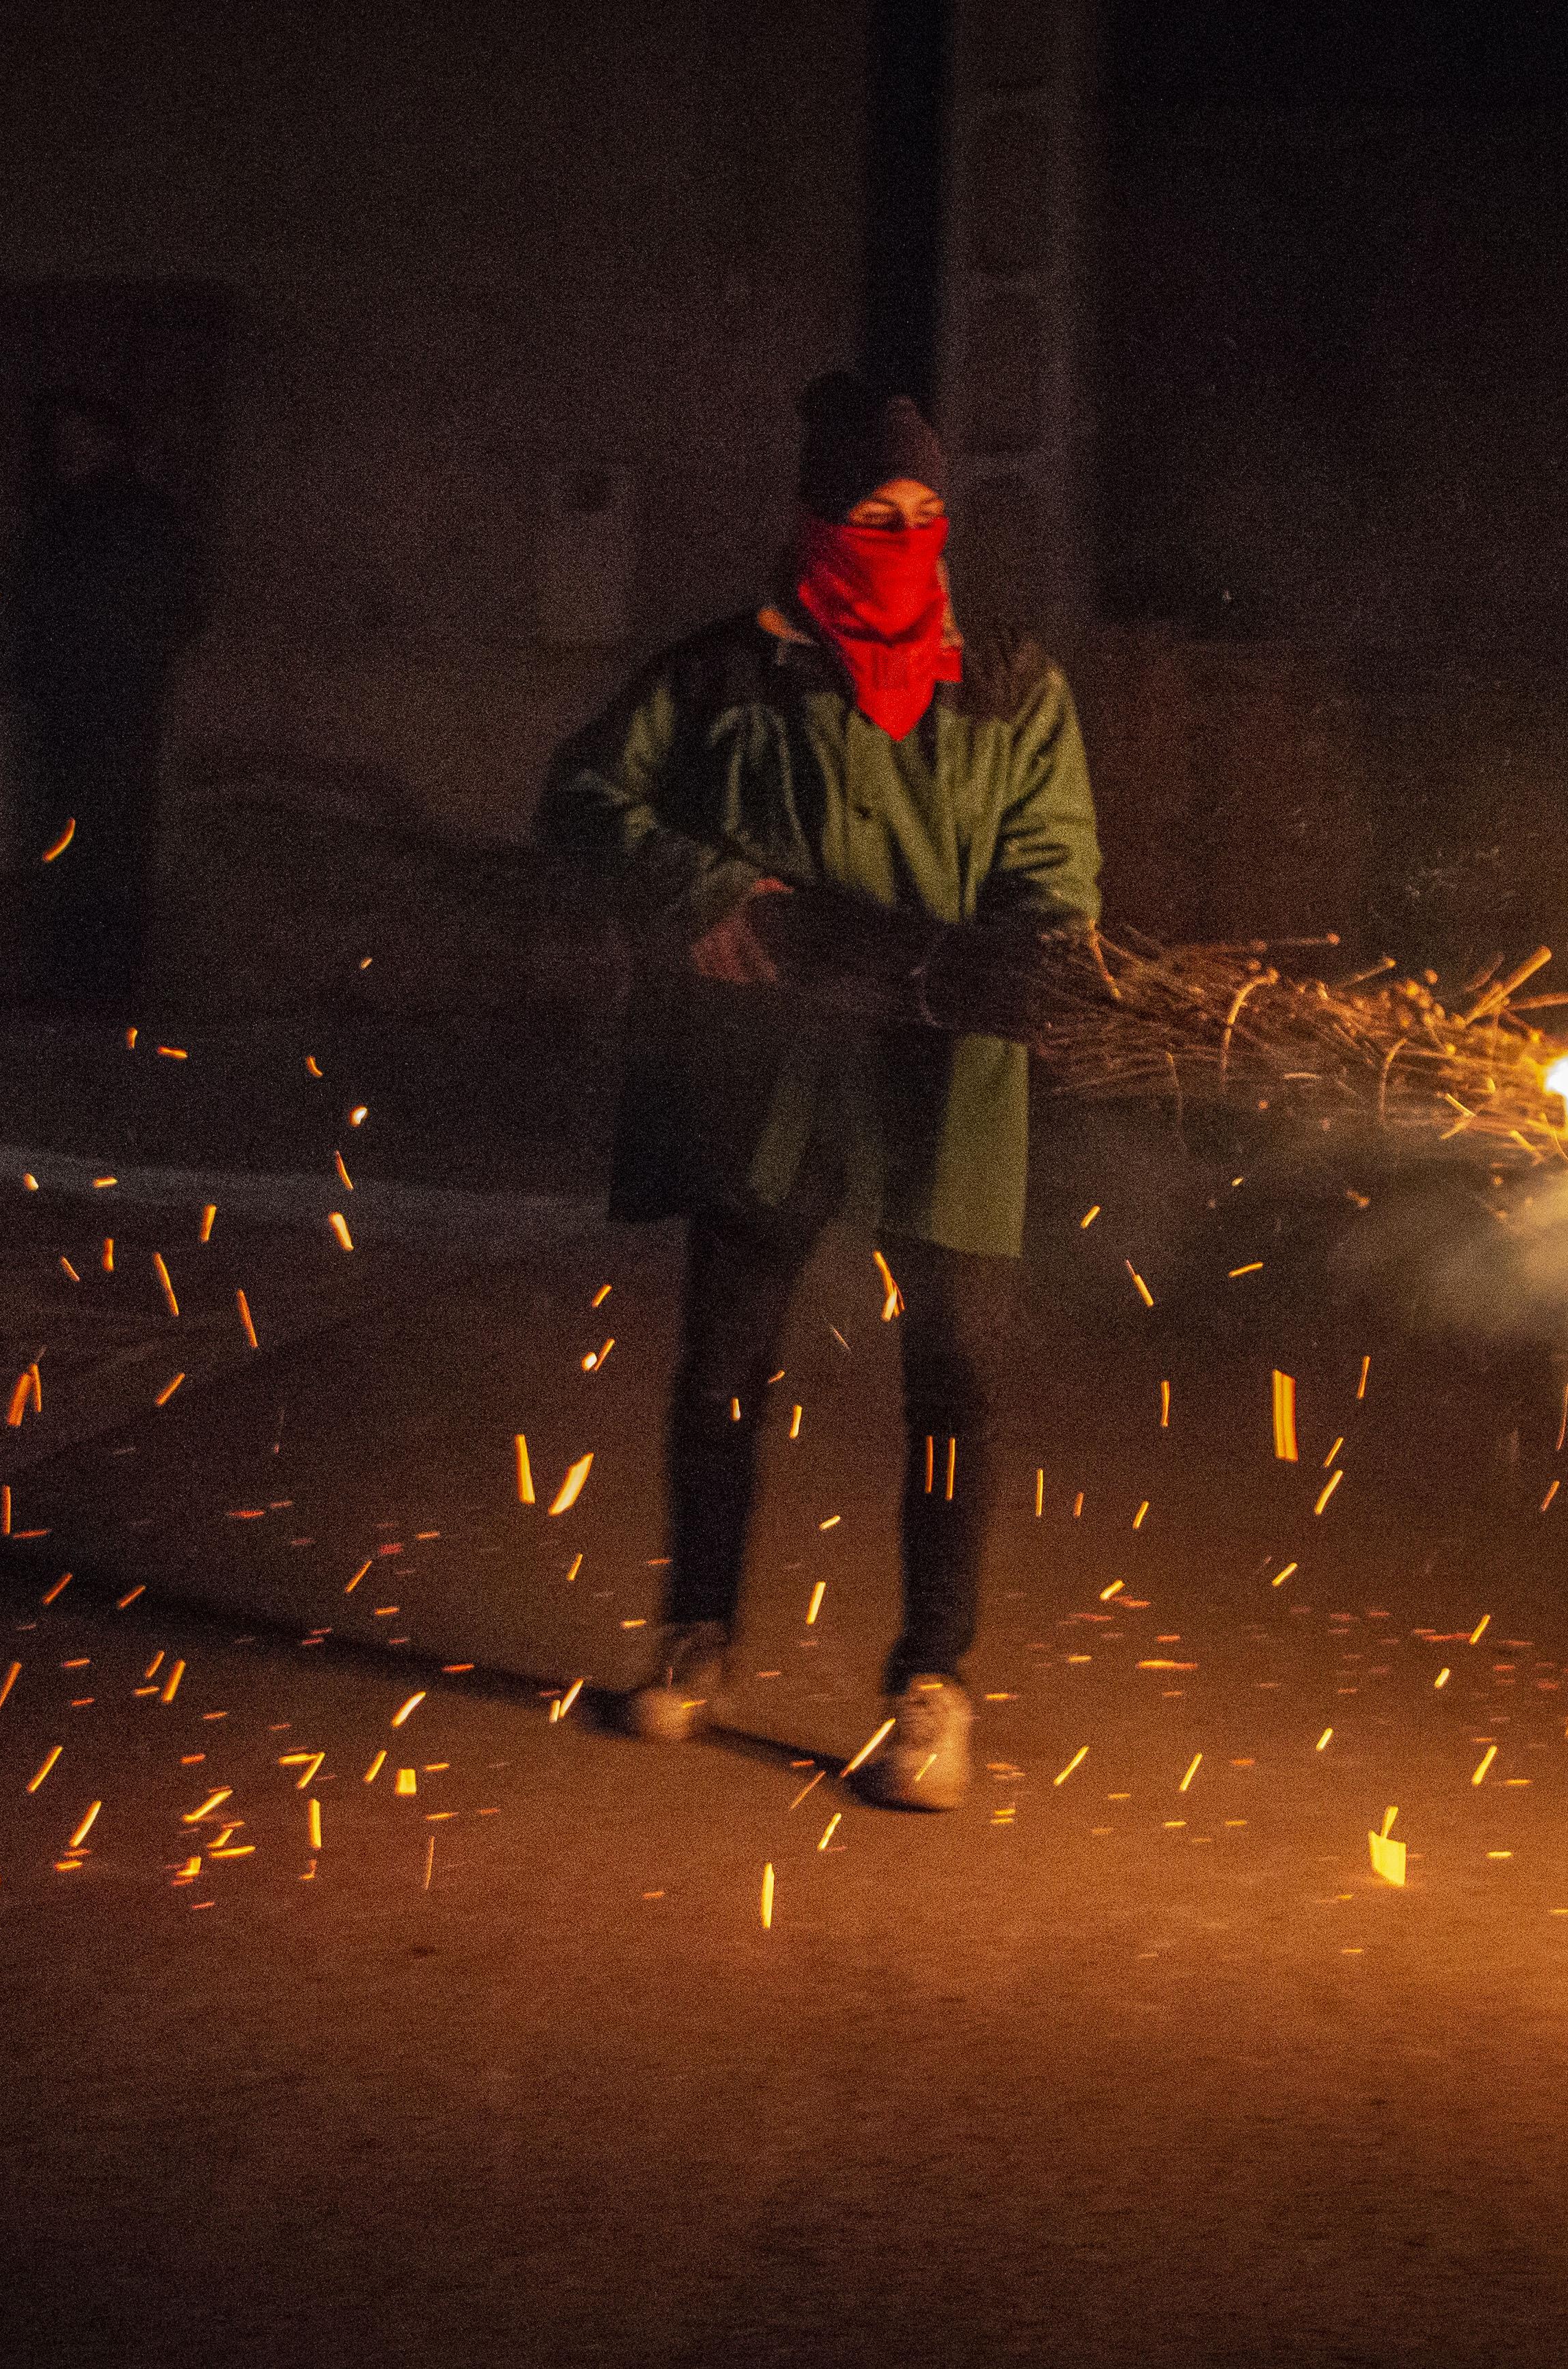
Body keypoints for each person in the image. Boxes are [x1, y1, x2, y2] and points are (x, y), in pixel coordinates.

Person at [537, 373, 1102, 1810]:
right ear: (816, 522)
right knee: (725, 1363)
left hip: (943, 1077)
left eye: (925, 511)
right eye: (873, 511)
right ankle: (697, 1631)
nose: (903, 534)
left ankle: (932, 1682)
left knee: (954, 1378)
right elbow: (587, 796)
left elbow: (1053, 862)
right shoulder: (722, 673)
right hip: (768, 1073)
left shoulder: (1011, 681)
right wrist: (703, 890)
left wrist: (1029, 955)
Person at [0, 393, 200, 1016]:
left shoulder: (136, 518)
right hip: (64, 706)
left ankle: (100, 985)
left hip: (111, 705)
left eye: (85, 441)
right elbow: (29, 602)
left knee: (106, 840)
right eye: (65, 443)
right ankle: (70, 980)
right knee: (65, 836)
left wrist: (112, 659)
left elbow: (169, 609)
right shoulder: (60, 516)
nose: (73, 454)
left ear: (113, 444)